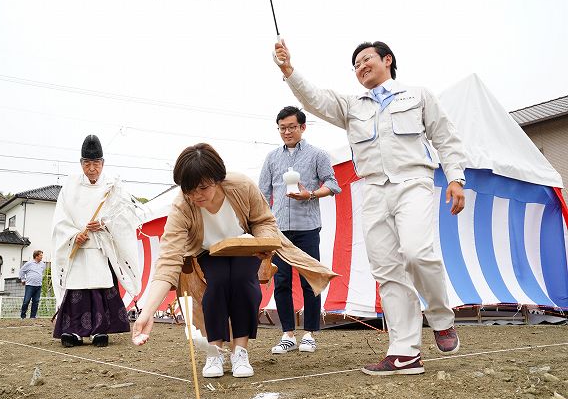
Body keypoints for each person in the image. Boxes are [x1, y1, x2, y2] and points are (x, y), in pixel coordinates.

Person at [273, 40, 467, 375]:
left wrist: (456, 177)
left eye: (366, 60)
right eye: (356, 65)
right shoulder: (352, 105)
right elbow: (315, 99)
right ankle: (404, 352)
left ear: (387, 60)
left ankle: (440, 316)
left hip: (412, 181)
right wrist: (289, 70)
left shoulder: (417, 95)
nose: (361, 67)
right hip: (374, 188)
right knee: (387, 270)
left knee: (417, 252)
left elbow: (445, 137)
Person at [131, 143, 337, 379]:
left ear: (218, 178)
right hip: (207, 251)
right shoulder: (182, 205)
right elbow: (168, 260)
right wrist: (147, 313)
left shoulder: (241, 186)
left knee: (243, 283)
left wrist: (265, 243)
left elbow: (263, 220)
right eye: (189, 189)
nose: (197, 195)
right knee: (217, 284)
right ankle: (215, 351)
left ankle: (240, 351)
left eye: (203, 187)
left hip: (244, 245)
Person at [259, 106, 341, 354]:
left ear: (303, 127)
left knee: (310, 280)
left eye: (292, 127)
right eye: (282, 128)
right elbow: (262, 193)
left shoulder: (318, 155)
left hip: (307, 227)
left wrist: (311, 194)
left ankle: (310, 333)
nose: (287, 132)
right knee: (281, 281)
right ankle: (287, 334)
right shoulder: (272, 158)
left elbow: (333, 184)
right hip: (280, 230)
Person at [51, 135, 142, 348]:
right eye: (87, 164)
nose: (92, 169)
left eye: (96, 164)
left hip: (101, 249)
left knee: (100, 287)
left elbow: (125, 219)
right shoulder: (70, 185)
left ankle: (99, 331)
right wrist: (74, 235)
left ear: (102, 163)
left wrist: (104, 224)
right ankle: (73, 332)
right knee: (76, 289)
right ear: (81, 163)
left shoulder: (112, 187)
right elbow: (60, 219)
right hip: (79, 248)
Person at [19, 250, 45, 319]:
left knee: (36, 301)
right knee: (26, 301)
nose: (42, 257)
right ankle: (23, 316)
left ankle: (33, 317)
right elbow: (22, 271)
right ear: (36, 256)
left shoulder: (43, 264)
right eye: (41, 255)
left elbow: (41, 272)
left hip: (38, 285)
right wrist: (23, 279)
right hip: (30, 285)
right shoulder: (29, 263)